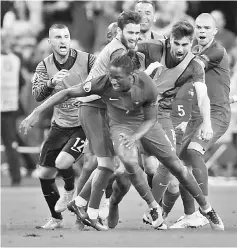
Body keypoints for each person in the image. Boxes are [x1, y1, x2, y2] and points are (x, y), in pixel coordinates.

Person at [20, 53, 225, 232]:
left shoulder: (147, 85)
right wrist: (36, 112)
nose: (113, 81)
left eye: (118, 77)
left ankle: (207, 209)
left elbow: (151, 119)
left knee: (176, 167)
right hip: (120, 127)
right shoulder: (103, 82)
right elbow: (67, 92)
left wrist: (137, 137)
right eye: (111, 75)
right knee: (125, 162)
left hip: (146, 125)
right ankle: (152, 208)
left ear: (132, 76)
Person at [26, 24, 95, 229]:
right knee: (45, 174)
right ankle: (56, 219)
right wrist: (50, 83)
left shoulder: (88, 60)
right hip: (59, 124)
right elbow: (37, 95)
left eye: (66, 36)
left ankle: (70, 191)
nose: (63, 40)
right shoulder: (44, 66)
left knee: (63, 162)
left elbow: (104, 81)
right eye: (58, 37)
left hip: (83, 122)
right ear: (50, 42)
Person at [166, 13, 232, 229]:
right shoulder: (192, 49)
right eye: (199, 27)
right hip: (196, 115)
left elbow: (191, 68)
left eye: (206, 28)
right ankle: (190, 215)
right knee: (181, 165)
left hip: (216, 114)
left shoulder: (216, 51)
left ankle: (205, 211)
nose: (202, 31)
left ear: (214, 31)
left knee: (195, 151)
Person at [1, 30, 24, 186]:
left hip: (7, 108)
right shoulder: (16, 60)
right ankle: (16, 178)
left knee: (11, 144)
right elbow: (22, 82)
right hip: (10, 107)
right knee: (11, 144)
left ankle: (16, 177)